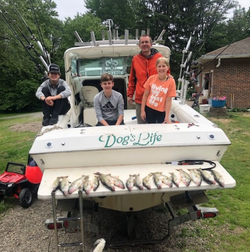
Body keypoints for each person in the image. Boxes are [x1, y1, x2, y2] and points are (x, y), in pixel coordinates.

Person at [127, 34, 163, 124]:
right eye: (142, 42)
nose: (144, 44)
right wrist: (130, 95)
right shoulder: (135, 59)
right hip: (140, 98)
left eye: (146, 42)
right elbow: (132, 79)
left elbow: (166, 75)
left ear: (151, 44)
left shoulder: (159, 57)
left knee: (156, 126)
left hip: (156, 98)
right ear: (139, 45)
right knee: (142, 126)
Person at [141, 57, 176, 124]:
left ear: (168, 67)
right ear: (156, 68)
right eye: (159, 66)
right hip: (149, 108)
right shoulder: (151, 78)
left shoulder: (171, 82)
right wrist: (142, 111)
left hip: (162, 111)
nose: (161, 68)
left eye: (163, 66)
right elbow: (145, 95)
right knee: (151, 128)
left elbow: (168, 100)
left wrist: (167, 117)